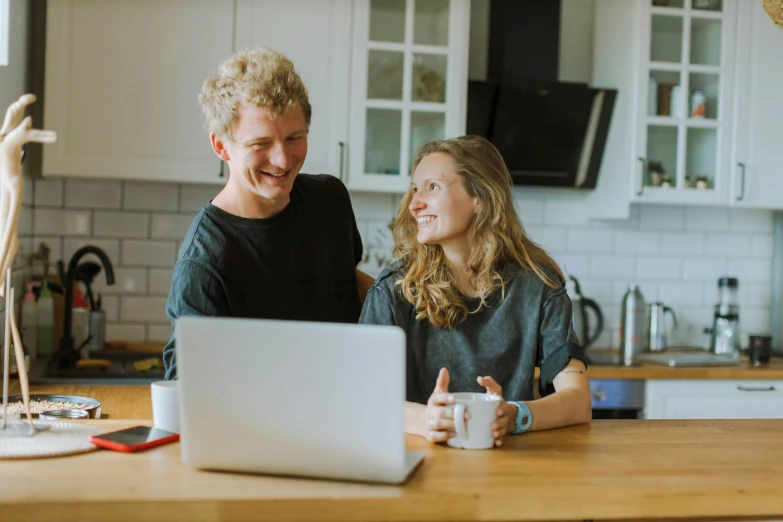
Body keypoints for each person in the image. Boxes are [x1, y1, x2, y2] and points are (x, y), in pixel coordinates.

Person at [359, 135, 591, 446]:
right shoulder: (393, 290)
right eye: (415, 189)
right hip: (416, 464)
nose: (414, 205)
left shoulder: (539, 285)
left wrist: (516, 415)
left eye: (432, 187)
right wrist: (424, 419)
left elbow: (577, 402)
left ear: (479, 198)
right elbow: (360, 399)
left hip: (510, 470)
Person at [163, 48, 374, 380]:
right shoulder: (205, 262)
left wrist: (411, 305)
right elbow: (188, 390)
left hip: (346, 413)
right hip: (261, 428)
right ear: (220, 145)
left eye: (294, 138)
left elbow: (347, 280)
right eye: (260, 144)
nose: (282, 159)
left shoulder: (329, 198)